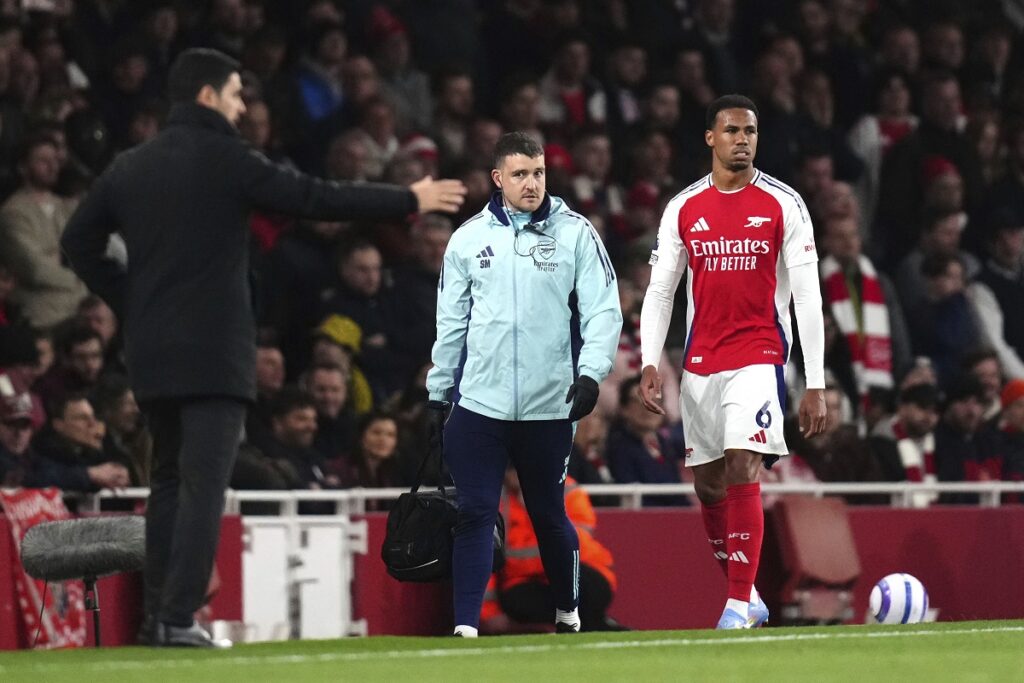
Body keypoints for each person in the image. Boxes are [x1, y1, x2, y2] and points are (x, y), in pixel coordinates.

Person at [60, 48, 466, 648]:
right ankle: (178, 618)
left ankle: (159, 620)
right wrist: (408, 199)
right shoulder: (228, 159)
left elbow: (77, 243)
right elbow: (314, 197)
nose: (241, 106)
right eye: (233, 94)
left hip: (151, 353)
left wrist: (130, 299)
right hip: (214, 354)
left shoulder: (131, 166)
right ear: (206, 96)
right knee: (202, 485)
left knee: (169, 482)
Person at [638, 94, 827, 630]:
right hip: (700, 359)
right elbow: (660, 292)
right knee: (708, 484)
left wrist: (814, 381)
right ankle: (744, 596)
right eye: (732, 131)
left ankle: (738, 605)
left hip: (759, 353)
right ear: (710, 138)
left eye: (750, 131)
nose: (742, 139)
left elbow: (809, 297)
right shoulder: (683, 208)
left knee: (744, 463)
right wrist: (650, 361)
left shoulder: (783, 203)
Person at [427, 131, 622, 637]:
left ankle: (568, 612)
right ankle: (465, 627)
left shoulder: (577, 233)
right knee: (473, 512)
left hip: (547, 404)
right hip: (479, 403)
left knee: (548, 517)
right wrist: (437, 390)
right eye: (519, 174)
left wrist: (591, 373)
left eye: (537, 173)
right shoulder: (468, 238)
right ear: (498, 178)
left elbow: (604, 310)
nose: (531, 183)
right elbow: (450, 321)